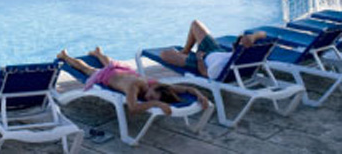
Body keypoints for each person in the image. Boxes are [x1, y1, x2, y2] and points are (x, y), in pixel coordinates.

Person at [57, 47, 208, 115]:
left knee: (109, 61)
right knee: (86, 69)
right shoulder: (134, 87)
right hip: (107, 75)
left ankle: (98, 53)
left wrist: (200, 96)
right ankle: (65, 56)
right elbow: (133, 108)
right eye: (151, 96)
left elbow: (187, 89)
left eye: (152, 99)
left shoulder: (157, 88)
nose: (148, 98)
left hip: (122, 72)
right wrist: (156, 103)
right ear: (155, 88)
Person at [160, 20, 267, 79]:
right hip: (218, 50)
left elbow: (205, 73)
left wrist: (199, 59)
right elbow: (263, 34)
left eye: (236, 43)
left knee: (164, 54)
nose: (234, 43)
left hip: (202, 61)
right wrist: (253, 37)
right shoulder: (244, 54)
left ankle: (185, 54)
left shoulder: (219, 68)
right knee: (195, 24)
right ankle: (185, 51)